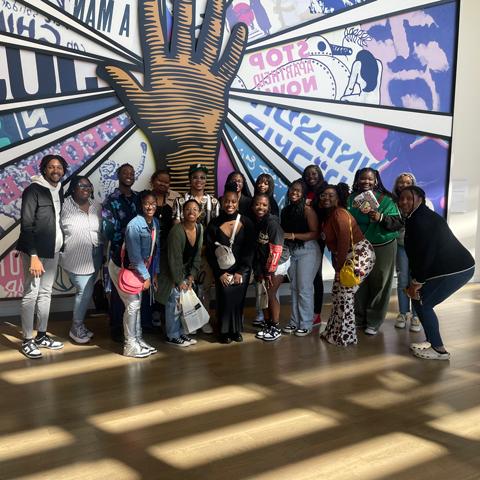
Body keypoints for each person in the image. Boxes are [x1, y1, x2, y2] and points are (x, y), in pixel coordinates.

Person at [400, 186, 475, 360]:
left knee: (424, 302)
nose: (404, 202)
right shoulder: (415, 216)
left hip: (456, 269)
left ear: (420, 199)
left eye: (408, 198)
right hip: (445, 268)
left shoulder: (422, 220)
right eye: (401, 198)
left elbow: (427, 253)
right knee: (418, 299)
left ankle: (439, 350)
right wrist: (416, 281)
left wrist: (417, 281)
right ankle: (431, 340)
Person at [17, 154, 68, 358]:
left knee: (46, 293)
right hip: (35, 252)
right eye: (51, 167)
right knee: (31, 293)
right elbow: (27, 225)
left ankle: (41, 335)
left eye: (59, 167)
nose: (55, 170)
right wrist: (34, 256)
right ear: (44, 170)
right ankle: (27, 340)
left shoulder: (59, 189)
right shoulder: (32, 190)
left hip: (53, 250)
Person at [318, 184, 375, 346]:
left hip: (358, 255)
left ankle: (345, 337)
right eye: (323, 195)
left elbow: (343, 241)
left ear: (338, 198)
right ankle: (333, 332)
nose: (327, 198)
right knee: (337, 295)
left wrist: (339, 267)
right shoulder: (329, 215)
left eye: (331, 195)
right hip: (348, 255)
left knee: (345, 296)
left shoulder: (339, 214)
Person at [347, 168, 402, 335]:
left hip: (383, 246)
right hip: (360, 246)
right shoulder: (351, 199)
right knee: (359, 282)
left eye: (370, 179)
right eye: (362, 179)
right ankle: (358, 318)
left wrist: (380, 218)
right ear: (357, 180)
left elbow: (397, 223)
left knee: (380, 284)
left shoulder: (388, 199)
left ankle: (374, 321)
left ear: (376, 181)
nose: (366, 182)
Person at [108, 190, 160, 358]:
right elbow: (135, 256)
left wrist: (154, 273)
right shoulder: (134, 225)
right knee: (132, 305)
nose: (150, 206)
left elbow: (154, 251)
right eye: (146, 203)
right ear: (141, 205)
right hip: (120, 268)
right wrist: (146, 276)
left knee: (137, 303)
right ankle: (130, 344)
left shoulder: (155, 223)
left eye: (153, 203)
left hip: (136, 269)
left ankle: (137, 339)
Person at [173, 164, 219, 334]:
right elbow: (176, 227)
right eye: (195, 177)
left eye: (202, 177)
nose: (198, 180)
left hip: (205, 252)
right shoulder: (180, 201)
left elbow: (216, 229)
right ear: (189, 179)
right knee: (187, 287)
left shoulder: (213, 202)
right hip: (186, 254)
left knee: (205, 287)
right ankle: (189, 322)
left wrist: (205, 247)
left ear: (206, 180)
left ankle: (203, 319)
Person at [206, 183, 255, 343]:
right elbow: (210, 252)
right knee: (224, 298)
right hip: (222, 270)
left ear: (237, 202)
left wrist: (241, 271)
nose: (230, 205)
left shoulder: (247, 222)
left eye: (233, 202)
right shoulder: (213, 224)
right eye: (227, 201)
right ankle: (223, 331)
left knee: (238, 300)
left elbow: (250, 249)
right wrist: (219, 273)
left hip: (242, 269)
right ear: (221, 202)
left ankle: (235, 330)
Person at [61, 176, 103, 344]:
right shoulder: (63, 206)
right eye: (81, 185)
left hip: (96, 253)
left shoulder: (96, 206)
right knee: (84, 292)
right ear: (72, 188)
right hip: (75, 255)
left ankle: (80, 325)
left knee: (88, 290)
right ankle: (75, 327)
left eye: (88, 185)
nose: (86, 188)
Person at [157, 199, 203, 347]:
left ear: (200, 213)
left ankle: (182, 333)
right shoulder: (176, 231)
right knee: (174, 302)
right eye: (188, 209)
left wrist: (191, 276)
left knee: (184, 304)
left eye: (195, 209)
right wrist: (179, 281)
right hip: (171, 272)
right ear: (182, 212)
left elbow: (197, 255)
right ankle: (172, 335)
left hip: (186, 271)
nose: (191, 212)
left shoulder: (200, 228)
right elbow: (173, 259)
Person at [102, 163, 139, 342]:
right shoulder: (110, 200)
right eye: (125, 172)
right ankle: (117, 328)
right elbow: (107, 228)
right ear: (118, 175)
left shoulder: (140, 198)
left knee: (136, 290)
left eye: (132, 173)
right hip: (118, 252)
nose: (129, 175)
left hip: (139, 253)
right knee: (119, 292)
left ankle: (136, 328)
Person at [281, 180, 321, 336]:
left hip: (308, 250)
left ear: (303, 193)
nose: (294, 192)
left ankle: (306, 323)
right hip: (292, 252)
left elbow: (315, 233)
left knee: (304, 288)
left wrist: (293, 235)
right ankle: (294, 321)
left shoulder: (308, 210)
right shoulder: (285, 211)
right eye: (292, 189)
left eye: (298, 190)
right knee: (294, 288)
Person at [252, 193, 290, 342]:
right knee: (265, 294)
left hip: (278, 262)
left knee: (271, 293)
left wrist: (269, 271)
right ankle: (268, 325)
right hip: (265, 262)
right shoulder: (257, 222)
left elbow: (276, 251)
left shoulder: (272, 223)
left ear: (269, 207)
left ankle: (275, 327)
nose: (260, 207)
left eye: (264, 205)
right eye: (257, 204)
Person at [392, 173, 421, 332]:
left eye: (407, 182)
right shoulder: (392, 202)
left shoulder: (420, 202)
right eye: (400, 183)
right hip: (401, 246)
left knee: (415, 280)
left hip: (417, 247)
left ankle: (416, 315)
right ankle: (403, 313)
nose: (403, 185)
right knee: (402, 279)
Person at [151, 169, 179, 326]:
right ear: (153, 181)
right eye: (160, 181)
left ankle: (160, 313)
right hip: (149, 250)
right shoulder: (146, 200)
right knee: (149, 280)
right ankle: (150, 314)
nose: (163, 184)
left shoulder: (172, 206)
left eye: (166, 182)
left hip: (166, 250)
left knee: (164, 281)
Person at [302, 164, 327, 329]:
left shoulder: (325, 191)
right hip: (304, 237)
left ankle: (316, 313)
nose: (311, 176)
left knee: (316, 275)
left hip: (319, 238)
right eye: (308, 174)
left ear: (320, 175)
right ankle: (305, 311)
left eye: (314, 173)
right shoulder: (302, 190)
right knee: (305, 278)